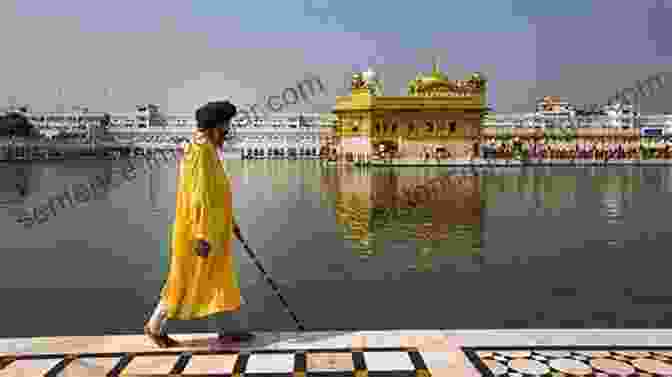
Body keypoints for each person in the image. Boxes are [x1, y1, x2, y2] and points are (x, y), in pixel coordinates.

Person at [144, 101, 252, 348]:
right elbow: (198, 195)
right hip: (197, 233)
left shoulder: (208, 149)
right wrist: (201, 235)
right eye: (226, 126)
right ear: (214, 127)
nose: (228, 131)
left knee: (218, 279)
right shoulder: (199, 150)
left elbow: (215, 195)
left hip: (213, 229)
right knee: (182, 280)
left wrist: (230, 222)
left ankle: (226, 331)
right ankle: (154, 327)